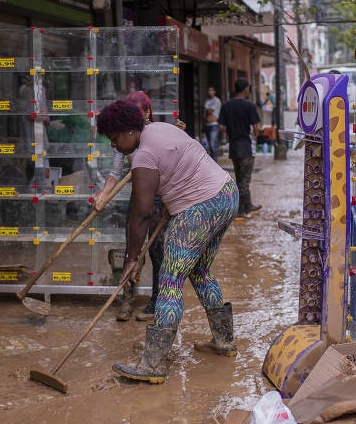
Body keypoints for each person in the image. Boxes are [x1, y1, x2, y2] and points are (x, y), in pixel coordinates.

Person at [97, 100, 239, 384]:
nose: (114, 146)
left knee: (170, 279)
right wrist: (170, 204)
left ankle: (152, 364)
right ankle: (224, 343)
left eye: (115, 140)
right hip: (226, 194)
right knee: (199, 271)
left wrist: (132, 259)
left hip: (198, 208)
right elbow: (180, 169)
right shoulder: (161, 128)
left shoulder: (143, 155)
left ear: (130, 131)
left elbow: (141, 214)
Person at [95, 92, 186, 322]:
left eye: (140, 112)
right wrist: (103, 195)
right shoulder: (122, 136)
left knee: (158, 252)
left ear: (147, 113)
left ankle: (156, 303)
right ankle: (127, 299)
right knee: (131, 250)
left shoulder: (155, 135)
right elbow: (116, 172)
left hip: (159, 197)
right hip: (138, 196)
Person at [219, 78, 262, 220]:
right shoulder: (249, 105)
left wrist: (232, 130)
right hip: (245, 146)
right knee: (244, 180)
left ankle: (248, 205)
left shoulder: (226, 105)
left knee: (240, 177)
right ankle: (240, 211)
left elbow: (221, 127)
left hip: (233, 146)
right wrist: (254, 137)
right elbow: (256, 126)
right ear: (244, 89)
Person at [203, 87, 222, 160]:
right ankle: (212, 160)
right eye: (208, 90)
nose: (209, 92)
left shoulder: (216, 101)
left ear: (214, 92)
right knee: (210, 145)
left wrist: (208, 110)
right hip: (207, 125)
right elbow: (205, 113)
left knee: (212, 143)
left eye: (211, 91)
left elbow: (209, 111)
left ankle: (215, 160)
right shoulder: (207, 101)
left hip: (214, 125)